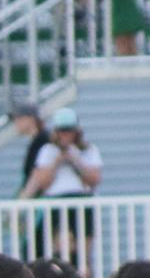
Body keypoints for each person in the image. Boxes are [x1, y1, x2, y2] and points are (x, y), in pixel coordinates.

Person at [20, 107, 102, 264]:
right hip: (56, 203)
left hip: (82, 202)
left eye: (69, 130)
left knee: (83, 258)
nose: (66, 135)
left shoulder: (89, 150)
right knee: (60, 251)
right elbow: (43, 182)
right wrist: (58, 160)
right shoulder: (47, 151)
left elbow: (94, 179)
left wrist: (75, 160)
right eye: (62, 131)